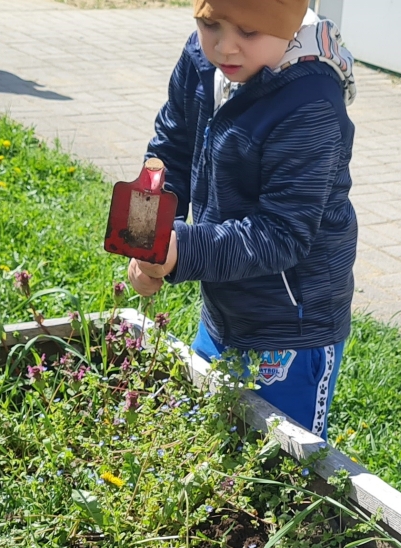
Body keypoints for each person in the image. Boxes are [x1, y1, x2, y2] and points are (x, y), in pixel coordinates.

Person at [128, 0, 357, 437]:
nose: (225, 47)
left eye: (248, 33)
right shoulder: (201, 61)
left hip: (292, 327)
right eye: (210, 23)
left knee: (282, 463)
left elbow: (282, 233)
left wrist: (180, 250)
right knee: (211, 433)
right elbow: (168, 149)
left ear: (287, 27)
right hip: (225, 306)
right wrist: (145, 234)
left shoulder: (310, 102)